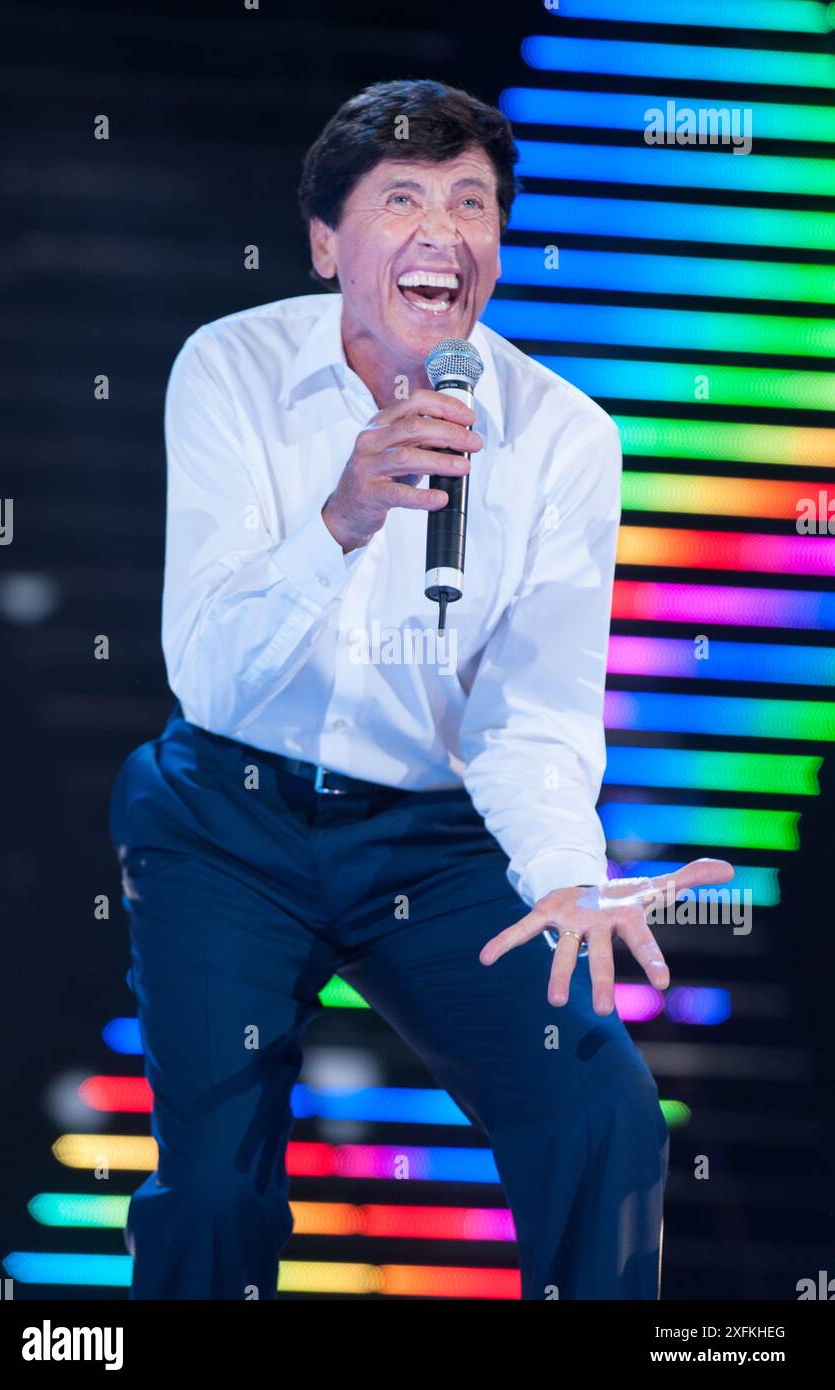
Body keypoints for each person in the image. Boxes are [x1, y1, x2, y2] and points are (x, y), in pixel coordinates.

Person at [109, 77, 733, 1301]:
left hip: (433, 840)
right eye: (403, 198)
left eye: (471, 202)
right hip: (226, 817)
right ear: (326, 243)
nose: (444, 229)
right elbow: (208, 666)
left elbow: (532, 712)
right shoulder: (228, 369)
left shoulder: (564, 437)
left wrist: (562, 875)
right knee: (218, 1188)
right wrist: (341, 518)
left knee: (600, 1111)